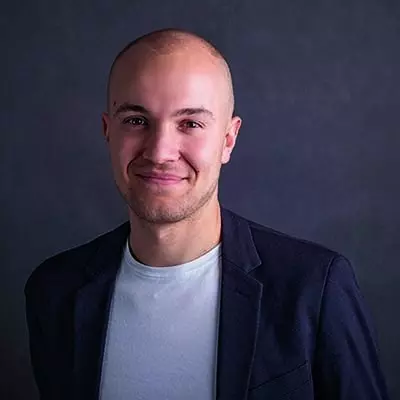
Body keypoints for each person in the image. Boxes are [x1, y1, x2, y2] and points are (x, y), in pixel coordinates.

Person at [25, 28, 389, 400]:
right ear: (108, 131)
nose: (160, 152)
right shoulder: (54, 292)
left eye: (190, 124)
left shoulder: (315, 288)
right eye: (136, 120)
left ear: (228, 140)